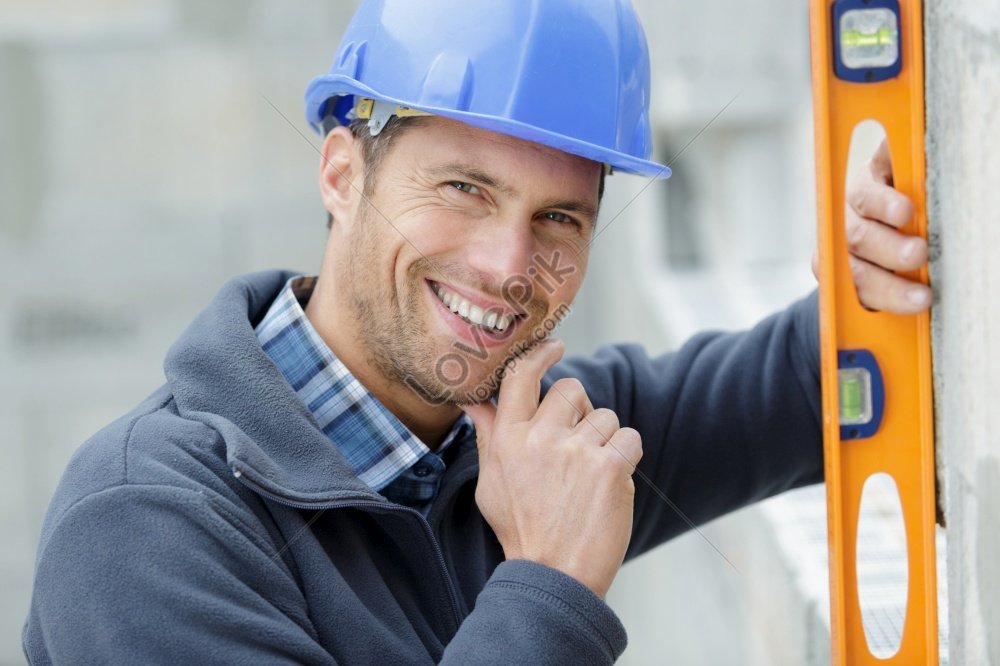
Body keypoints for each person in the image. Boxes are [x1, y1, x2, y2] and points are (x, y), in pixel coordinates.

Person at [23, 1, 930, 664]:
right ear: (342, 173)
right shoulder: (146, 526)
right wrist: (547, 587)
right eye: (465, 189)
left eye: (560, 220)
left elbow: (804, 387)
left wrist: (871, 269)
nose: (508, 264)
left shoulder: (522, 439)